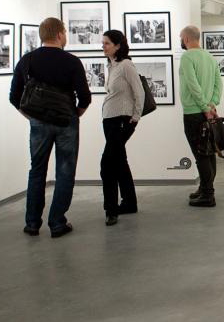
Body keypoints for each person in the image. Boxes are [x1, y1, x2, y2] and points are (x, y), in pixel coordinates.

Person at [9, 18, 90, 238]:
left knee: (37, 171)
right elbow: (84, 97)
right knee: (65, 172)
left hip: (39, 124)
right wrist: (75, 114)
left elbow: (14, 97)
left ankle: (32, 223)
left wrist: (32, 117)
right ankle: (57, 223)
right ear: (59, 35)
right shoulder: (72, 61)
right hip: (66, 123)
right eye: (64, 32)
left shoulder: (27, 60)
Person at [100, 29, 145, 226]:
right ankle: (129, 202)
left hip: (122, 120)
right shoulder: (111, 65)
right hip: (109, 120)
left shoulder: (126, 65)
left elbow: (139, 92)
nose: (103, 46)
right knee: (119, 161)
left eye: (107, 43)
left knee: (106, 165)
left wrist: (135, 117)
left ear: (118, 45)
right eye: (103, 43)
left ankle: (111, 210)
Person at [179, 25, 223, 207]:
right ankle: (205, 188)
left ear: (187, 39)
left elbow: (192, 84)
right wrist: (212, 104)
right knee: (209, 150)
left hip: (193, 113)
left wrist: (205, 107)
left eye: (181, 38)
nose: (181, 41)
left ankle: (208, 194)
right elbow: (218, 84)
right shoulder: (209, 56)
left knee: (200, 154)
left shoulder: (187, 57)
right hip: (207, 111)